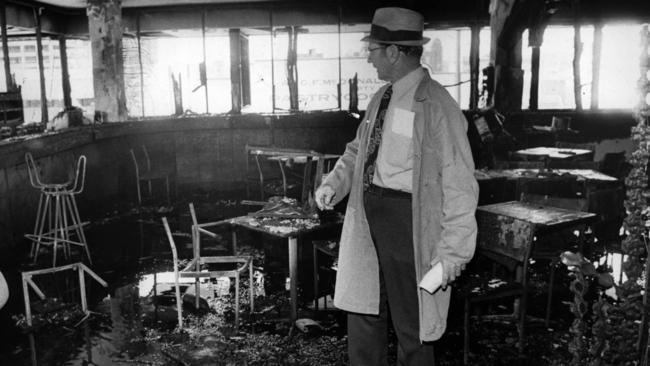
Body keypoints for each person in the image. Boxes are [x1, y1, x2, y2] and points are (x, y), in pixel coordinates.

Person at [314, 7, 479, 366]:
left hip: (408, 224)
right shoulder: (381, 99)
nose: (368, 57)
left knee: (412, 325)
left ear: (393, 52)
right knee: (363, 313)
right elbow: (358, 150)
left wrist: (454, 252)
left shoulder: (435, 104)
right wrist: (335, 182)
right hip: (368, 217)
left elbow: (460, 181)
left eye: (373, 49)